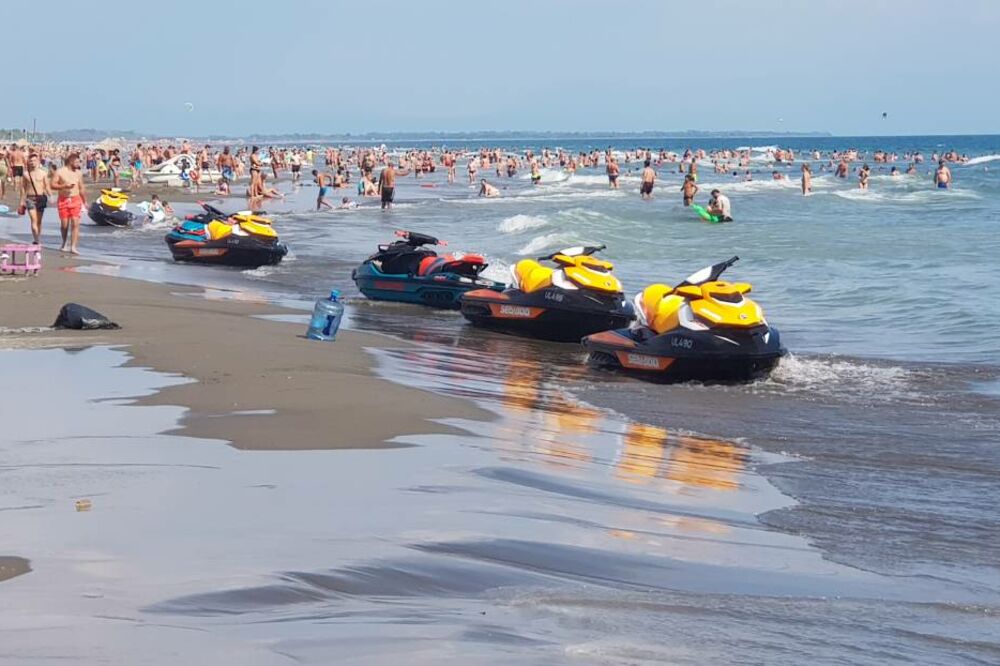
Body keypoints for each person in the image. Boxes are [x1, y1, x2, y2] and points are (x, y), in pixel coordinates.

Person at [51, 152, 87, 254]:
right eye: (77, 162)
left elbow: (81, 188)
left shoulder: (79, 173)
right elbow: (52, 185)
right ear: (71, 162)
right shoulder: (60, 172)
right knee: (64, 225)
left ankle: (73, 247)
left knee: (75, 223)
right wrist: (64, 186)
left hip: (76, 199)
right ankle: (64, 242)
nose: (79, 163)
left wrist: (85, 201)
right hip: (63, 200)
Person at [19, 153, 50, 244]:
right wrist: (21, 202)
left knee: (39, 221)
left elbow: (47, 186)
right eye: (31, 161)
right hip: (30, 198)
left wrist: (51, 196)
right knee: (34, 220)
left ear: (38, 162)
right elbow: (23, 188)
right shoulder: (26, 174)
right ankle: (37, 240)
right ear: (28, 162)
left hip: (41, 198)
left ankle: (37, 238)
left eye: (34, 161)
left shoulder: (43, 173)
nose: (32, 163)